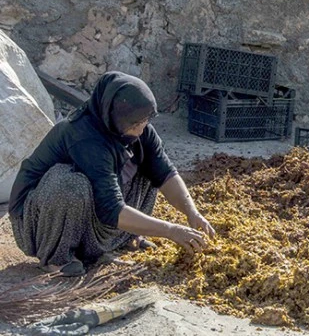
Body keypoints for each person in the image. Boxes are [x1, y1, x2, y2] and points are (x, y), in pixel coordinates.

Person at [8, 71, 215, 276]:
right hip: (36, 221)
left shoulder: (140, 131)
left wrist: (191, 212)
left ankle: (124, 238)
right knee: (71, 184)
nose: (142, 128)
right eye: (135, 124)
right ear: (114, 117)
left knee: (146, 166)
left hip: (87, 208)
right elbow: (111, 207)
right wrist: (170, 230)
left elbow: (165, 173)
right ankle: (56, 257)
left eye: (145, 121)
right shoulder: (84, 136)